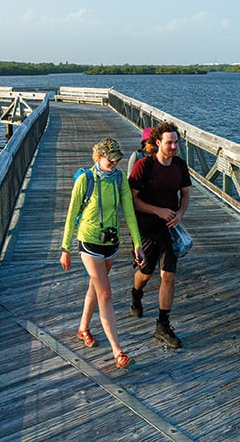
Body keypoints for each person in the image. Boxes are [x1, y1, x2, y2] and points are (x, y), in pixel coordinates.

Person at [60, 138, 143, 368]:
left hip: (112, 242)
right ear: (98, 157)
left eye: (117, 158)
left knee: (95, 288)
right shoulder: (85, 180)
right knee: (105, 292)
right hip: (89, 241)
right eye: (110, 158)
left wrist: (137, 243)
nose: (115, 162)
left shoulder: (119, 180)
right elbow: (70, 214)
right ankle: (118, 351)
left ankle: (83, 328)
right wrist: (65, 248)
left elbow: (129, 212)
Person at [129, 122, 191, 348]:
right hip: (146, 228)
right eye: (169, 142)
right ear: (157, 143)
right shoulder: (143, 166)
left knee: (168, 276)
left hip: (169, 230)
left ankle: (162, 325)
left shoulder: (180, 166)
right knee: (145, 273)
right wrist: (158, 210)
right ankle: (136, 293)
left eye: (176, 142)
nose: (173, 146)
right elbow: (132, 201)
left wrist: (180, 214)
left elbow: (185, 194)